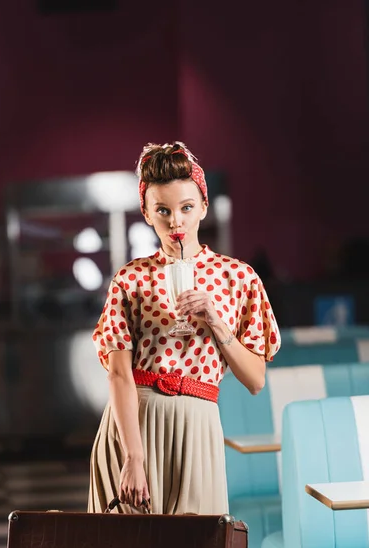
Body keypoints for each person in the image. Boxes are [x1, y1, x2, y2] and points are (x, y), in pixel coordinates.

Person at [88, 141, 281, 515]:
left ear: (203, 207)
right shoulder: (130, 280)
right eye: (162, 210)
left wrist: (215, 320)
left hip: (199, 424)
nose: (175, 221)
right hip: (133, 429)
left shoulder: (239, 278)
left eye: (186, 208)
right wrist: (133, 458)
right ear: (146, 213)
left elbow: (256, 380)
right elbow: (119, 375)